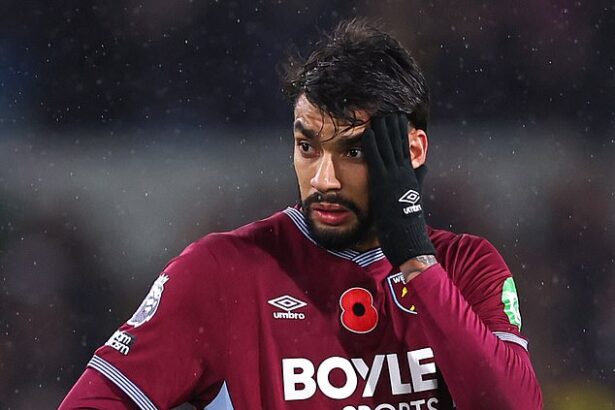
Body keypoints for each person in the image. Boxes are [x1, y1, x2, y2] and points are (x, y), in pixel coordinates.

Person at [60, 19, 543, 410]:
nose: (323, 180)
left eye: (353, 151)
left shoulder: (467, 266)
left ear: (412, 150)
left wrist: (416, 260)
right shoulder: (223, 272)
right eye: (308, 147)